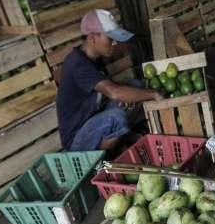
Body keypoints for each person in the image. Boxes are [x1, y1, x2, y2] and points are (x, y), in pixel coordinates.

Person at [56, 9, 163, 151]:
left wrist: (131, 96)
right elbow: (114, 92)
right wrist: (153, 94)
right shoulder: (78, 64)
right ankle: (102, 157)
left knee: (135, 86)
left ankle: (120, 138)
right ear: (92, 37)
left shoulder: (94, 58)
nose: (113, 43)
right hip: (77, 139)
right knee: (116, 117)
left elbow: (109, 92)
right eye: (109, 38)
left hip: (93, 119)